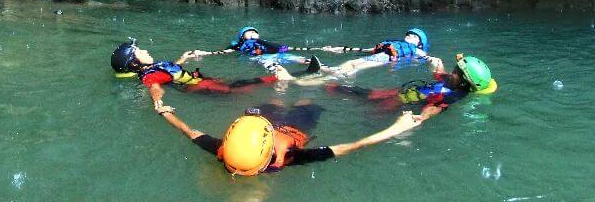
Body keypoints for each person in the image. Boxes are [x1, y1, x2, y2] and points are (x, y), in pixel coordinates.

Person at [152, 100, 429, 175]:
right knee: (306, 102)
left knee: (273, 100)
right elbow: (352, 146)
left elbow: (190, 132)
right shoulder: (289, 158)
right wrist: (397, 128)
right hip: (295, 129)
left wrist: (165, 112)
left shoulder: (226, 152)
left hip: (270, 125)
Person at [111, 39, 289, 111]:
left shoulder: (151, 69)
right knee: (236, 88)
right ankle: (279, 79)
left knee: (238, 84)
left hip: (202, 82)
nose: (145, 50)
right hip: (201, 87)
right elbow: (155, 87)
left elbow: (168, 73)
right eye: (139, 51)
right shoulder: (148, 76)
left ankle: (280, 79)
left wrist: (182, 59)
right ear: (134, 63)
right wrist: (158, 103)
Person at [326, 53, 497, 118]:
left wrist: (422, 117)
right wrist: (438, 64)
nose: (452, 72)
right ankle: (331, 87)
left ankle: (332, 96)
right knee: (367, 94)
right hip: (404, 93)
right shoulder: (452, 81)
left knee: (371, 116)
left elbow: (437, 107)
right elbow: (440, 75)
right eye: (455, 68)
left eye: (456, 71)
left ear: (464, 82)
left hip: (404, 102)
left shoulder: (453, 95)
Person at [303, 27, 431, 79]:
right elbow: (367, 50)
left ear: (420, 43)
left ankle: (327, 71)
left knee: (354, 66)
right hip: (380, 57)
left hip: (386, 60)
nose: (409, 36)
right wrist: (338, 49)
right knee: (351, 63)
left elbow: (428, 58)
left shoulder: (417, 50)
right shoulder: (394, 44)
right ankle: (331, 73)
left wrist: (432, 61)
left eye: (414, 37)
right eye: (408, 35)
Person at [192, 26, 315, 69]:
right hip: (258, 59)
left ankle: (320, 67)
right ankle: (282, 75)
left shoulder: (264, 42)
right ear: (242, 37)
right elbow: (224, 52)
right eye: (248, 31)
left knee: (295, 57)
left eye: (254, 31)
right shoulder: (239, 45)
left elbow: (285, 48)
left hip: (275, 54)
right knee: (270, 63)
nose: (252, 32)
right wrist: (204, 53)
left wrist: (321, 49)